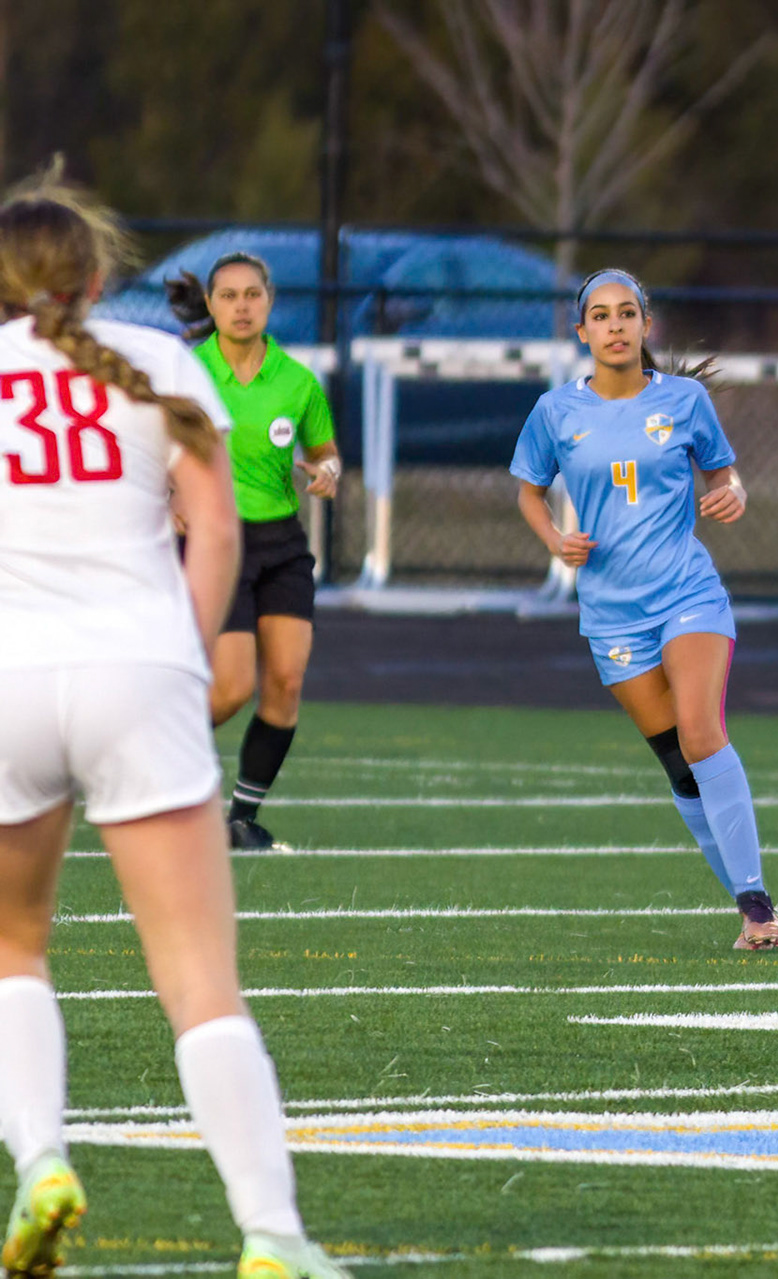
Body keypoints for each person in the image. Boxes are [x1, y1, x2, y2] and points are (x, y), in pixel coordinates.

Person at [0, 176, 348, 1276]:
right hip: (139, 671)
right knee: (200, 982)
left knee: (12, 950)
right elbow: (217, 531)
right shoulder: (158, 359)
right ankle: (271, 1234)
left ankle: (42, 1164)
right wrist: (186, 658)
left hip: (10, 678)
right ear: (98, 277)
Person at [511, 268, 778, 950]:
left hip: (687, 593)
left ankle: (758, 908)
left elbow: (722, 472)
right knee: (678, 765)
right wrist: (556, 541)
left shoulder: (685, 400)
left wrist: (733, 491)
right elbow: (528, 493)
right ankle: (747, 903)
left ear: (645, 325)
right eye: (601, 315)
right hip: (611, 614)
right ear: (582, 332)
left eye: (627, 313)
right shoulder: (555, 412)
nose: (615, 325)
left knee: (700, 732)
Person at [165, 254, 338, 851]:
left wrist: (327, 471)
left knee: (285, 681)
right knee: (232, 687)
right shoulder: (188, 372)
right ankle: (146, 749)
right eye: (228, 296)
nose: (241, 306)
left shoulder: (297, 379)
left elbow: (325, 451)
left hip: (282, 544)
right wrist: (169, 493)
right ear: (210, 305)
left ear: (270, 300)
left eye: (252, 295)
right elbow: (150, 443)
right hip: (216, 540)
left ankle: (240, 819)